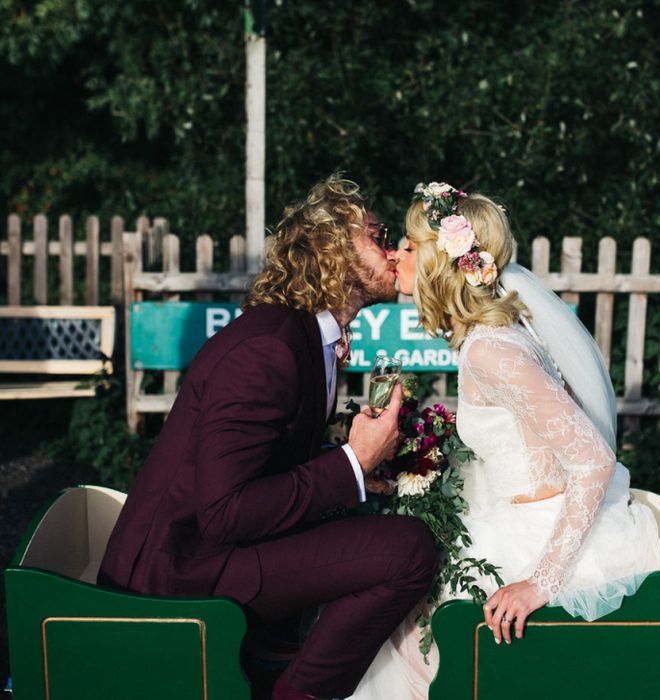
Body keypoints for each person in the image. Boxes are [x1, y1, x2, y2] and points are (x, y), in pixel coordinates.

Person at [98, 175, 439, 700]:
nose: (394, 251)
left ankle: (278, 650)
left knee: (379, 521)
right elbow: (224, 511)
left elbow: (265, 466)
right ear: (332, 248)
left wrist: (358, 469)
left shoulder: (306, 334)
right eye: (379, 234)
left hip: (210, 549)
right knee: (409, 551)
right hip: (181, 572)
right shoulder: (269, 348)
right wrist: (351, 462)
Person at [350, 182, 660, 700]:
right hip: (508, 520)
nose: (395, 254)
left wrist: (539, 582)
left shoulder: (490, 350)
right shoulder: (488, 338)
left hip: (538, 541)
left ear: (437, 261)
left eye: (408, 246)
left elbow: (593, 461)